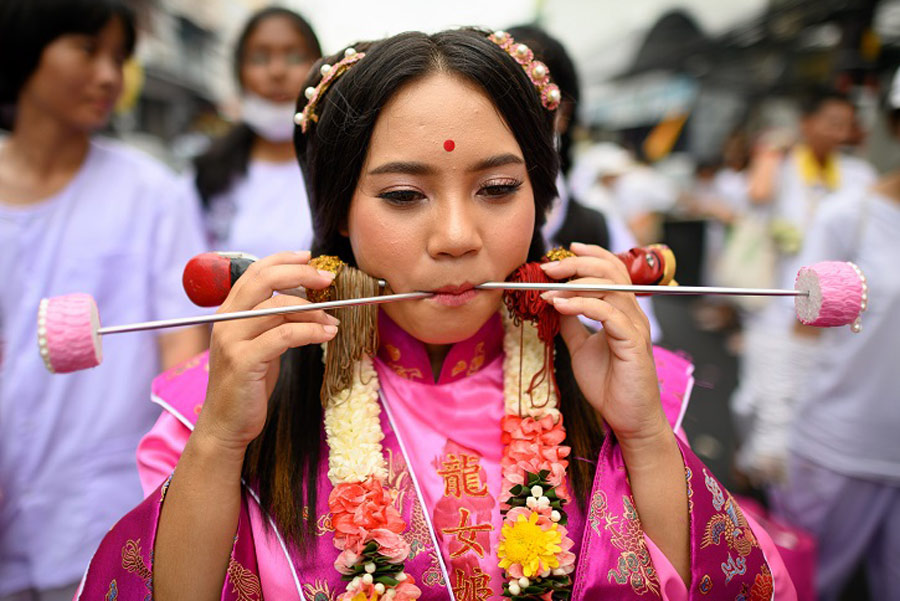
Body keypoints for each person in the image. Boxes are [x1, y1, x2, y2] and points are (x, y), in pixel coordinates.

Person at [76, 29, 795, 600]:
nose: (457, 236)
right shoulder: (246, 393)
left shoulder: (607, 378)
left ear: (540, 197)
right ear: (339, 212)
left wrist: (640, 434)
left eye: (497, 187)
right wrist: (218, 443)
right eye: (402, 195)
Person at [0, 1, 208, 598]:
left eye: (119, 57)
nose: (110, 75)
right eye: (88, 49)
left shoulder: (151, 194)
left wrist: (186, 480)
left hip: (106, 517)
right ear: (27, 46)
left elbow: (183, 348)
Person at [769, 71, 900, 600]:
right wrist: (773, 425)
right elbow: (800, 328)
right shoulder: (852, 217)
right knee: (808, 589)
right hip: (837, 452)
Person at [731, 89, 878, 482]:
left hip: (832, 311)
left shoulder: (858, 176)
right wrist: (770, 151)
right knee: (756, 398)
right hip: (777, 306)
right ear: (806, 123)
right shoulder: (782, 164)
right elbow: (757, 194)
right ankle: (751, 472)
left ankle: (783, 484)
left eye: (846, 125)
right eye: (831, 123)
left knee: (804, 398)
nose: (839, 133)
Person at [507, 24, 661, 341]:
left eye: (527, 102)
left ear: (562, 114)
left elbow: (645, 347)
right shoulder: (446, 234)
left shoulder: (600, 232)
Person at [192, 7, 322, 257]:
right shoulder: (208, 173)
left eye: (295, 57)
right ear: (239, 72)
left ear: (319, 67)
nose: (277, 71)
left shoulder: (347, 165)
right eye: (260, 59)